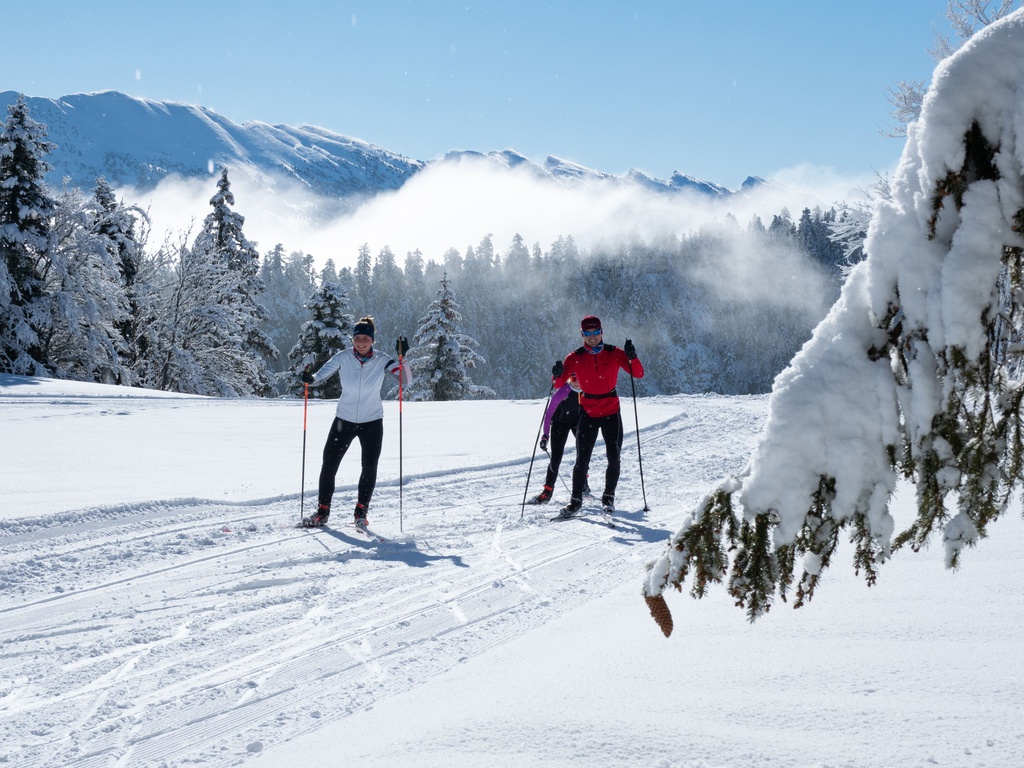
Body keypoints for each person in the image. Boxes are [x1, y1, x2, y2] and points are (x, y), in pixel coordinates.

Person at [300, 316, 411, 529]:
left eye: (366, 339)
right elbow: (319, 377)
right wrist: (309, 379)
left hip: (372, 422)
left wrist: (403, 358)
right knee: (329, 465)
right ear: (352, 339)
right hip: (344, 420)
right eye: (357, 338)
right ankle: (322, 511)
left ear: (372, 340)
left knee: (369, 467)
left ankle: (361, 512)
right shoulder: (342, 357)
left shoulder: (383, 359)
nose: (361, 342)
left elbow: (405, 380)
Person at [552, 315, 643, 518]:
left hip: (611, 411)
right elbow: (558, 384)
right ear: (582, 334)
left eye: (595, 332)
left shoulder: (615, 353)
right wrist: (557, 373)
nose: (592, 337)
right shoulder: (574, 357)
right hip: (588, 412)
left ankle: (608, 498)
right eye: (587, 333)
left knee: (614, 457)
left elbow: (637, 374)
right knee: (581, 459)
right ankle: (575, 502)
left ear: (602, 331)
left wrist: (632, 356)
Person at [526, 363, 591, 504]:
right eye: (574, 379)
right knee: (556, 457)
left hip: (577, 422)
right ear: (570, 379)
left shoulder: (587, 391)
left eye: (580, 379)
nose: (578, 383)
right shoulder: (564, 391)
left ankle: (584, 485)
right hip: (560, 423)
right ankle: (547, 491)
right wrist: (545, 435)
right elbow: (548, 414)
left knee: (583, 454)